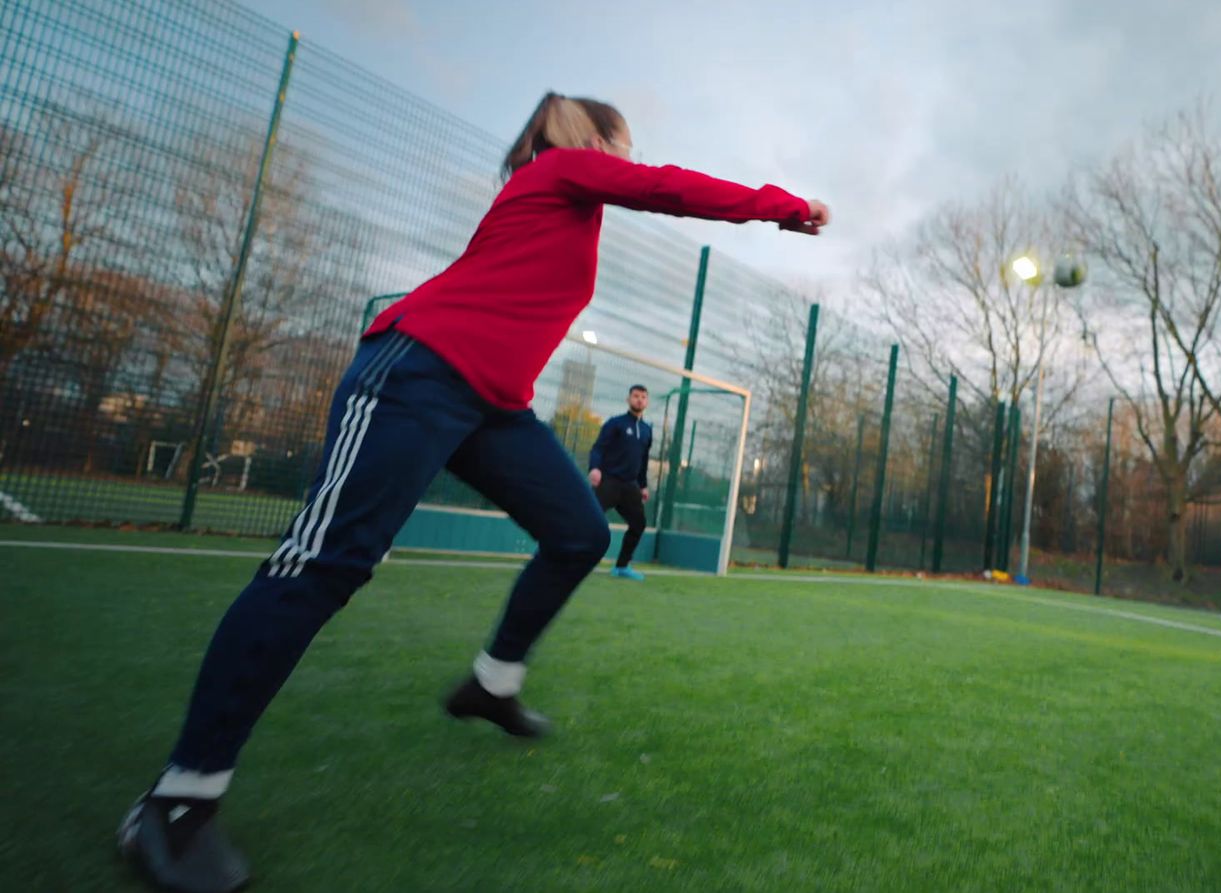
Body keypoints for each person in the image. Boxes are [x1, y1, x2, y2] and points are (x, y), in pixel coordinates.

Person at [118, 91, 829, 893]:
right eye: (622, 145)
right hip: (417, 372)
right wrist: (783, 207)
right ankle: (177, 800)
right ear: (595, 140)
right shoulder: (558, 170)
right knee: (325, 565)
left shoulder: (566, 201)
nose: (627, 160)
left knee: (579, 532)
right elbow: (663, 185)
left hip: (493, 405)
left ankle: (491, 684)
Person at [589, 385, 652, 580]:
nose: (639, 400)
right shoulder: (615, 423)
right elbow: (598, 448)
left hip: (629, 486)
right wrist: (595, 468)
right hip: (609, 481)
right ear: (628, 399)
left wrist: (642, 485)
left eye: (643, 397)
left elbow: (643, 460)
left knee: (639, 523)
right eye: (636, 396)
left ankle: (622, 567)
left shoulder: (647, 430)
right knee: (589, 520)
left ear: (646, 402)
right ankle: (571, 558)